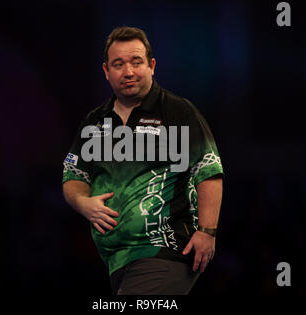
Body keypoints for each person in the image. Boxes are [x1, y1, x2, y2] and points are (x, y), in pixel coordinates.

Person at [62, 26, 223, 295]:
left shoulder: (178, 112)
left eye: (137, 62)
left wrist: (207, 232)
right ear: (106, 71)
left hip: (165, 249)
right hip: (116, 259)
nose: (128, 72)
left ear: (151, 66)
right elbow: (74, 176)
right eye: (118, 64)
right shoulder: (95, 122)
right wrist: (83, 202)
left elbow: (208, 170)